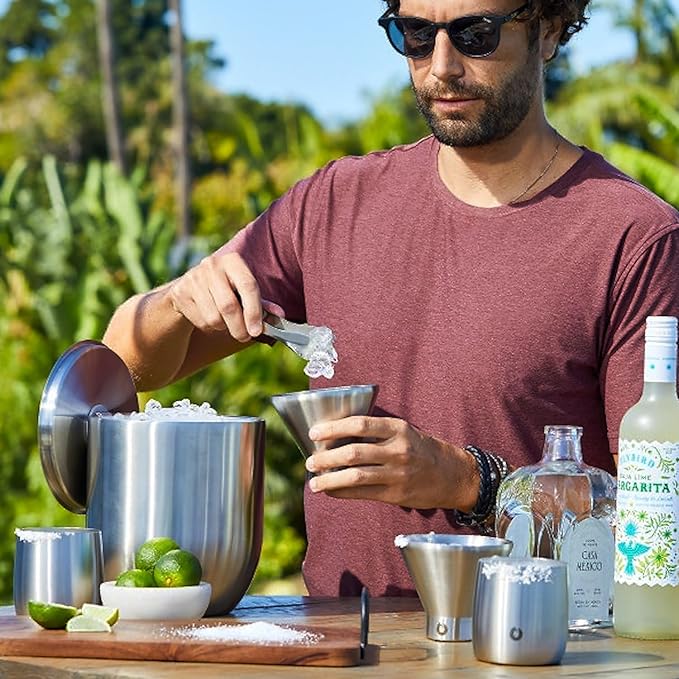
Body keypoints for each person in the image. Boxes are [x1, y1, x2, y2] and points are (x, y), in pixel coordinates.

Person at [103, 0, 679, 597]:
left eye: (475, 34)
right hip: (335, 639)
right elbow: (124, 365)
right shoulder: (334, 204)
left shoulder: (633, 237)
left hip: (530, 638)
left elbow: (657, 525)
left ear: (550, 30)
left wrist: (470, 484)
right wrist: (176, 302)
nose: (442, 66)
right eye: (416, 35)